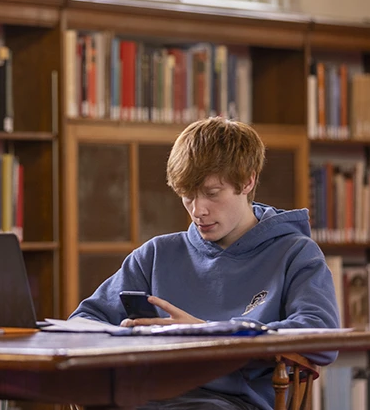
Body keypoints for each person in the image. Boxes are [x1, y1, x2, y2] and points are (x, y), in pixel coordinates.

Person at [70, 117, 341, 410]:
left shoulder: (295, 253)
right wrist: (131, 338)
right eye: (187, 196)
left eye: (212, 193)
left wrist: (210, 334)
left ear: (248, 180)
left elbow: (321, 336)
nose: (198, 210)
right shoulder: (156, 254)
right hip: (148, 395)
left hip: (230, 403)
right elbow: (83, 321)